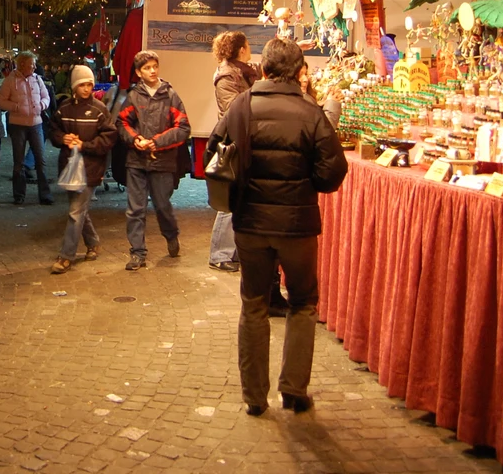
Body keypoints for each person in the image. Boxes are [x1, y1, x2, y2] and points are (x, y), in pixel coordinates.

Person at [206, 38, 348, 417]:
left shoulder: (241, 105)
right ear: (299, 71)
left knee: (253, 304)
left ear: (264, 70)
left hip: (250, 224)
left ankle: (254, 396)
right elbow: (333, 172)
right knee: (302, 304)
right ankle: (294, 390)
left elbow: (213, 154)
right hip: (298, 227)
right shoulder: (311, 112)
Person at [116, 50, 191, 270]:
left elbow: (183, 127)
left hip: (163, 161)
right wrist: (136, 139)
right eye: (147, 68)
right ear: (139, 72)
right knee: (135, 209)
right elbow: (122, 123)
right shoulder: (133, 96)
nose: (152, 71)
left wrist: (156, 142)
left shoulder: (171, 95)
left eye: (154, 66)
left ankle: (171, 235)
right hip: (136, 162)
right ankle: (137, 253)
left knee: (162, 206)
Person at [46, 65, 117, 274]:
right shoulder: (64, 108)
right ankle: (93, 243)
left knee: (76, 212)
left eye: (89, 84)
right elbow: (53, 129)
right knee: (79, 211)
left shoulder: (99, 110)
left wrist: (84, 145)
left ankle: (66, 256)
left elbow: (108, 138)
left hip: (91, 168)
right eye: (82, 85)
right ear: (74, 86)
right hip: (70, 166)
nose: (86, 89)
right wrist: (62, 138)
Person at [209, 31, 259, 273]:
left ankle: (234, 252)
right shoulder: (227, 75)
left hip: (244, 140)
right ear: (241, 49)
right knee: (229, 201)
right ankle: (219, 254)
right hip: (233, 143)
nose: (250, 49)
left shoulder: (243, 71)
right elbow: (232, 109)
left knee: (240, 200)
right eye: (248, 45)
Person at [0, 51, 53, 205]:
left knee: (41, 160)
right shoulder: (10, 81)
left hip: (36, 124)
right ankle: (19, 195)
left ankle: (45, 194)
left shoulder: (37, 80)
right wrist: (15, 107)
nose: (34, 67)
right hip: (18, 125)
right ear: (22, 65)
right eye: (31, 64)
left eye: (34, 64)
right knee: (19, 162)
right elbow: (0, 101)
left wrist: (41, 105)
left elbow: (46, 97)